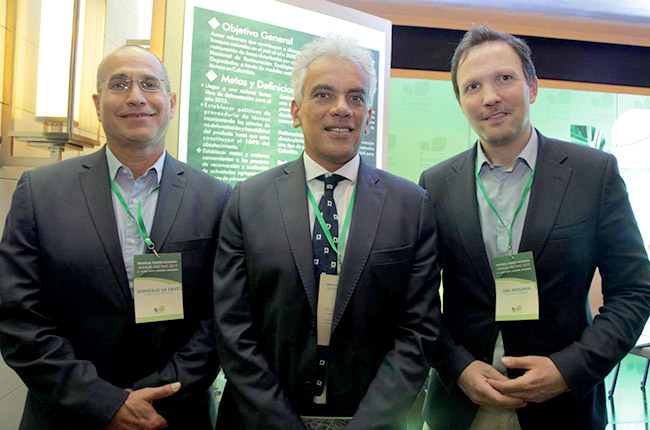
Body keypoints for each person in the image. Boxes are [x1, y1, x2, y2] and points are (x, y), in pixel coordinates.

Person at [419, 25, 650, 430]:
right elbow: (416, 300)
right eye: (472, 86)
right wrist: (457, 367)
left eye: (504, 79)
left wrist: (569, 369)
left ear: (533, 86)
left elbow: (634, 290)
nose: (490, 97)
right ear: (461, 101)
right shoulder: (435, 184)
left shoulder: (593, 174)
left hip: (563, 409)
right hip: (461, 408)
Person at [213, 35, 441, 430]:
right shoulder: (247, 200)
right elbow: (232, 326)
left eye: (356, 97)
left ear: (368, 115)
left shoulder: (412, 206)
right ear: (296, 111)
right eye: (323, 95)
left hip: (372, 420)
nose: (342, 109)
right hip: (261, 421)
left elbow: (417, 332)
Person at [0, 45, 231, 430]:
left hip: (173, 416)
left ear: (171, 102)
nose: (135, 96)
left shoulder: (217, 198)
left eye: (149, 84)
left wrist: (158, 398)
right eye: (119, 84)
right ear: (97, 102)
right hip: (67, 416)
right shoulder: (40, 191)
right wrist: (104, 404)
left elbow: (221, 316)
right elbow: (19, 315)